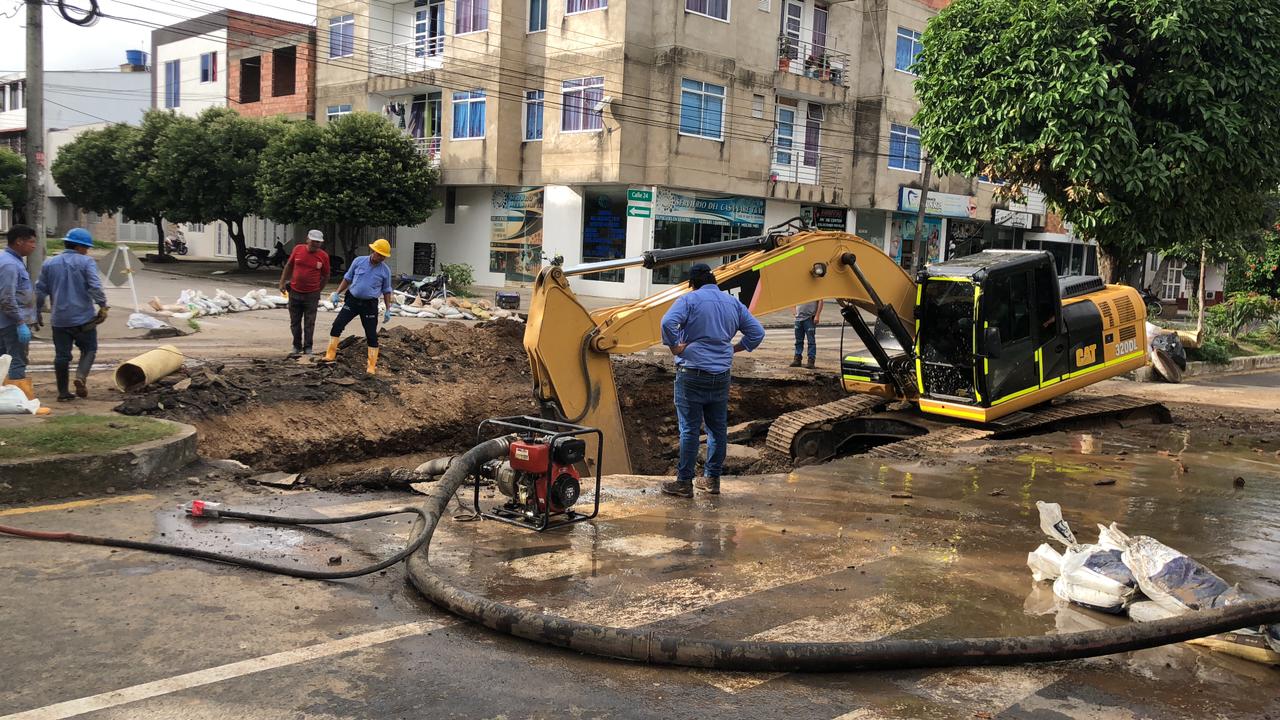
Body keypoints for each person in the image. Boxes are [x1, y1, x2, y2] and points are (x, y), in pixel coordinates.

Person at [659, 262, 765, 498]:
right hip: (720, 376)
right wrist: (734, 349)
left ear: (693, 283)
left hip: (692, 374)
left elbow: (667, 323)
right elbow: (757, 333)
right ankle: (712, 480)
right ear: (715, 281)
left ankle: (684, 483)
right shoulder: (733, 303)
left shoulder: (689, 300)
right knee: (718, 431)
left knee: (689, 431)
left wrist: (675, 346)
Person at [35, 228, 109, 401]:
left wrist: (37, 311)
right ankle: (80, 376)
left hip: (60, 319)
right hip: (84, 318)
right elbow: (95, 286)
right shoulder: (86, 262)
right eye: (86, 248)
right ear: (79, 247)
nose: (87, 251)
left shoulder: (49, 263)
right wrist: (103, 306)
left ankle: (63, 393)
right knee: (89, 348)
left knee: (62, 356)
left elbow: (40, 291)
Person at [322, 238, 395, 375]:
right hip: (353, 301)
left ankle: (371, 366)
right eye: (379, 254)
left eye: (383, 256)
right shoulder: (358, 261)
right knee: (337, 325)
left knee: (371, 334)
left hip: (369, 305)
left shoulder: (385, 271)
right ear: (373, 251)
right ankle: (330, 354)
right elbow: (348, 278)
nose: (381, 258)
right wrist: (337, 293)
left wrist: (388, 309)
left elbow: (386, 291)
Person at [0, 224, 41, 404]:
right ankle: (18, 401)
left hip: (6, 321)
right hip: (10, 323)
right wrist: (19, 322)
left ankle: (6, 397)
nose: (34, 246)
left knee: (4, 360)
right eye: (31, 242)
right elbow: (7, 298)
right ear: (19, 242)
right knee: (16, 360)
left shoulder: (11, 260)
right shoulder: (9, 264)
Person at [279, 229, 331, 358]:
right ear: (307, 240)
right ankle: (296, 346)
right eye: (313, 241)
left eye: (318, 243)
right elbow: (289, 266)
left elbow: (326, 275)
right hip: (295, 292)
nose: (315, 244)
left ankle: (308, 347)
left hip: (312, 295)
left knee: (309, 322)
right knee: (295, 322)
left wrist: (319, 289)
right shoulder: (298, 249)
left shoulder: (323, 256)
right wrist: (282, 282)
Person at [791, 299, 823, 369]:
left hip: (809, 318)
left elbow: (820, 301)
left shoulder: (815, 290)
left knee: (811, 341)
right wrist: (795, 313)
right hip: (798, 319)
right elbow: (791, 301)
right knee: (798, 340)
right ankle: (797, 358)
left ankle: (811, 360)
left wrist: (817, 315)